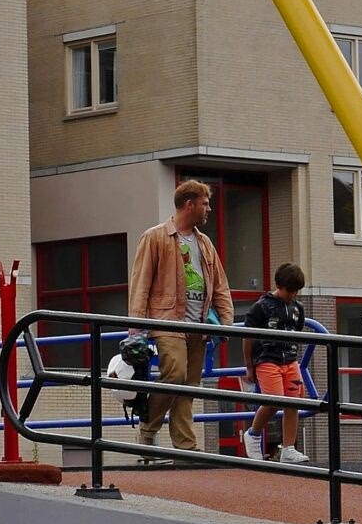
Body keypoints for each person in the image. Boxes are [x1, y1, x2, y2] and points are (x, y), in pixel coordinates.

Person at [127, 179, 233, 452]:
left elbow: (220, 285)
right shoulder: (155, 237)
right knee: (175, 373)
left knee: (190, 385)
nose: (209, 209)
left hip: (198, 324)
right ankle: (148, 427)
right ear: (190, 205)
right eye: (205, 203)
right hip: (167, 321)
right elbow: (140, 283)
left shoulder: (205, 243)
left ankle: (185, 445)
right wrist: (136, 328)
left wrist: (228, 324)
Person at [242, 261, 310, 464]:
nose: (293, 295)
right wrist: (249, 365)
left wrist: (295, 361)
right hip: (267, 359)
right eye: (290, 291)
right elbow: (247, 336)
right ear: (278, 286)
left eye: (296, 291)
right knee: (273, 401)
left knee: (293, 402)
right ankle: (253, 434)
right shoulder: (262, 306)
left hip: (290, 360)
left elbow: (296, 332)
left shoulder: (298, 308)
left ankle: (288, 447)